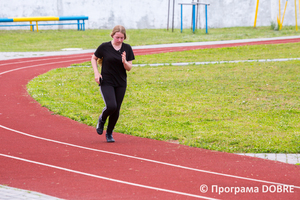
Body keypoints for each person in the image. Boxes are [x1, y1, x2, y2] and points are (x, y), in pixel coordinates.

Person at [91, 25, 135, 142]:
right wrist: (96, 73)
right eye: (117, 37)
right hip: (107, 81)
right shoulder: (104, 46)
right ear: (112, 35)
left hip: (120, 82)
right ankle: (102, 119)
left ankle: (109, 133)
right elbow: (94, 58)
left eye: (122, 38)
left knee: (116, 109)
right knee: (111, 106)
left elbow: (129, 68)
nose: (119, 40)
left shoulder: (127, 48)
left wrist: (124, 61)